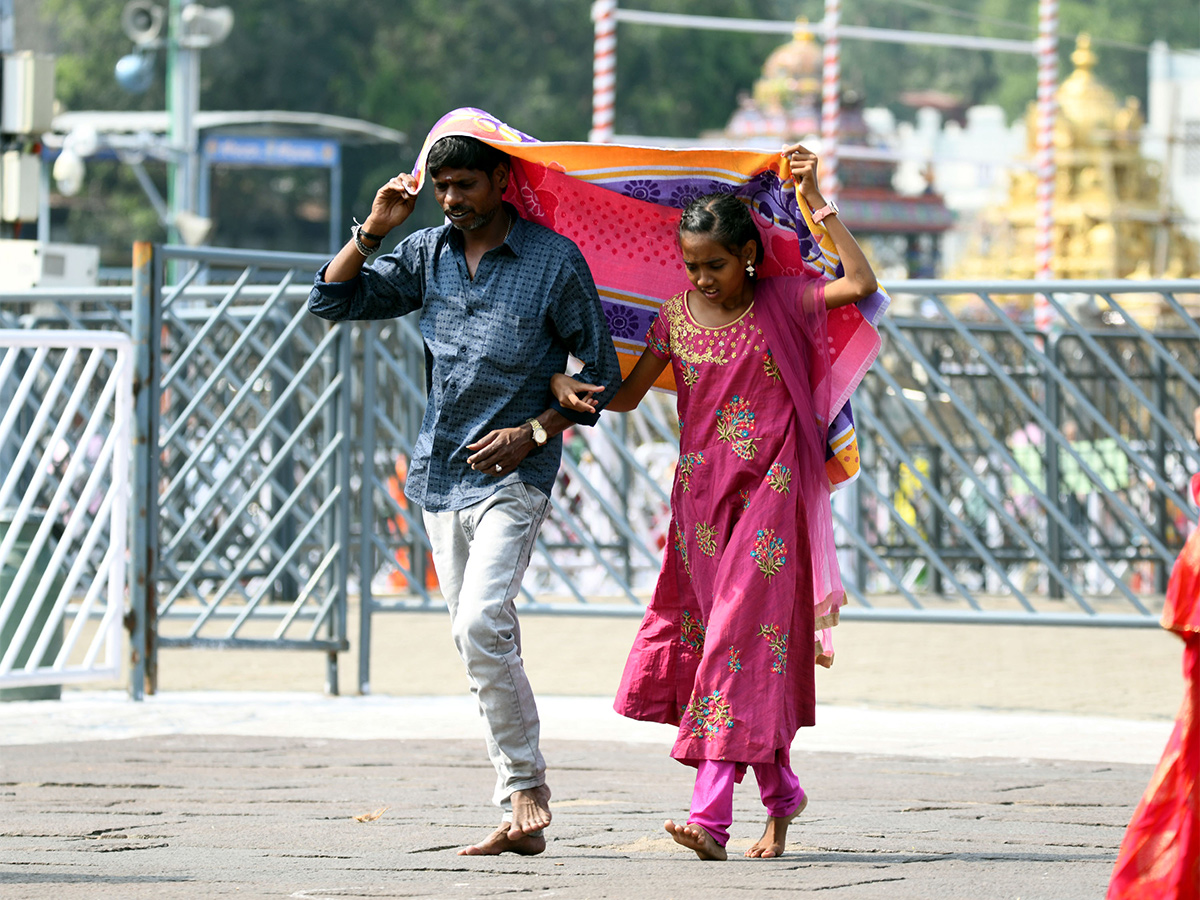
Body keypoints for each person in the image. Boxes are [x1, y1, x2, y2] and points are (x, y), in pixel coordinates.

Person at [552, 144, 879, 860]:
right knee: (732, 652)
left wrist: (817, 199)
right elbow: (630, 395)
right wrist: (564, 386)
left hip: (774, 496)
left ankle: (709, 818)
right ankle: (782, 796)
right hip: (701, 506)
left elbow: (859, 282)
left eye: (716, 264)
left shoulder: (787, 303)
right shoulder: (673, 316)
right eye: (693, 264)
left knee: (732, 641)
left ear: (750, 258)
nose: (703, 277)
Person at [307, 133, 621, 856]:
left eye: (465, 185)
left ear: (501, 179)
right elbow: (331, 298)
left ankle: (525, 788)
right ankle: (519, 813)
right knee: (475, 639)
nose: (451, 200)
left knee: (481, 623)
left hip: (517, 476)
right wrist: (375, 229)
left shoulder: (552, 262)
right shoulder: (426, 253)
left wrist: (535, 432)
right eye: (441, 186)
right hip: (438, 477)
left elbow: (597, 375)